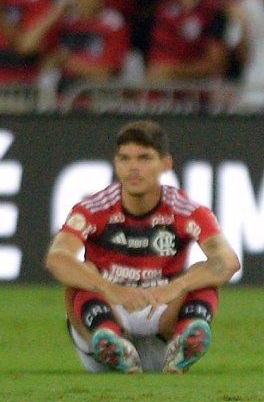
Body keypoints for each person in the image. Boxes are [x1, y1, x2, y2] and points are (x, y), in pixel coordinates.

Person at [45, 121, 240, 374]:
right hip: (107, 314)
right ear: (116, 164)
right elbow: (57, 258)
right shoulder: (94, 208)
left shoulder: (187, 210)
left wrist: (176, 286)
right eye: (125, 159)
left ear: (166, 164)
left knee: (202, 274)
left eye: (145, 158)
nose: (133, 168)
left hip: (160, 324)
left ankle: (184, 343)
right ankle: (110, 341)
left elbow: (227, 261)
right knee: (81, 272)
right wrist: (110, 288)